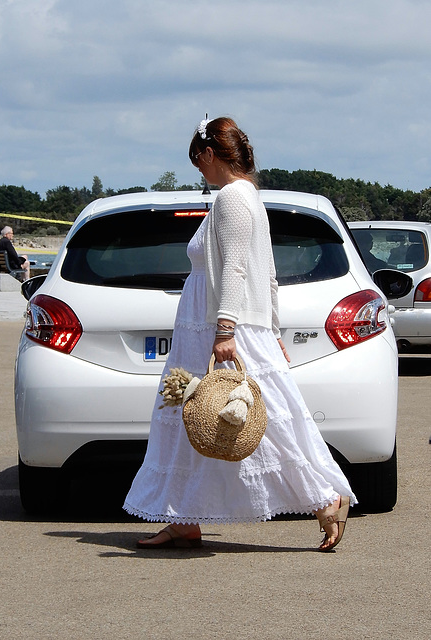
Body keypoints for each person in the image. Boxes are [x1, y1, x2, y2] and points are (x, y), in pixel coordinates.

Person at [123, 117, 356, 552]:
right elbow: (268, 273)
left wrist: (227, 329)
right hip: (220, 323)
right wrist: (271, 325)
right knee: (199, 418)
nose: (200, 174)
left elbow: (236, 267)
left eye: (198, 163)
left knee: (239, 416)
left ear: (211, 154)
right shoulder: (248, 197)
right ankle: (183, 518)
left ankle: (325, 496)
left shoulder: (232, 197)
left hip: (220, 323)